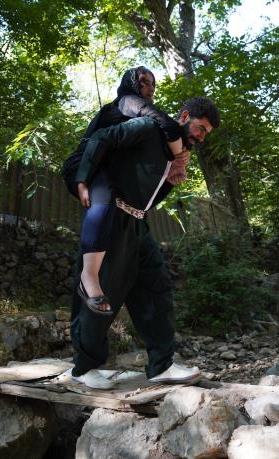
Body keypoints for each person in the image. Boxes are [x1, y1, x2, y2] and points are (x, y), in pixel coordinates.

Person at [67, 96, 220, 389]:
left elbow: (147, 197)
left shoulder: (175, 153)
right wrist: (82, 180)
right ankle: (84, 368)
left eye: (205, 134)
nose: (201, 137)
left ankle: (161, 365)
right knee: (101, 289)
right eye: (200, 128)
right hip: (112, 217)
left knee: (157, 287)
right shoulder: (148, 127)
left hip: (138, 224)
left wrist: (171, 177)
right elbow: (101, 138)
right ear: (184, 116)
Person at [61, 67, 189, 317]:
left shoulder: (141, 123)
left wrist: (174, 168)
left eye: (153, 84)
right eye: (144, 82)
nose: (150, 88)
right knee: (104, 197)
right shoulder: (128, 101)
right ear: (131, 83)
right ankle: (88, 279)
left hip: (104, 171)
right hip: (83, 166)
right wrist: (82, 179)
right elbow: (169, 126)